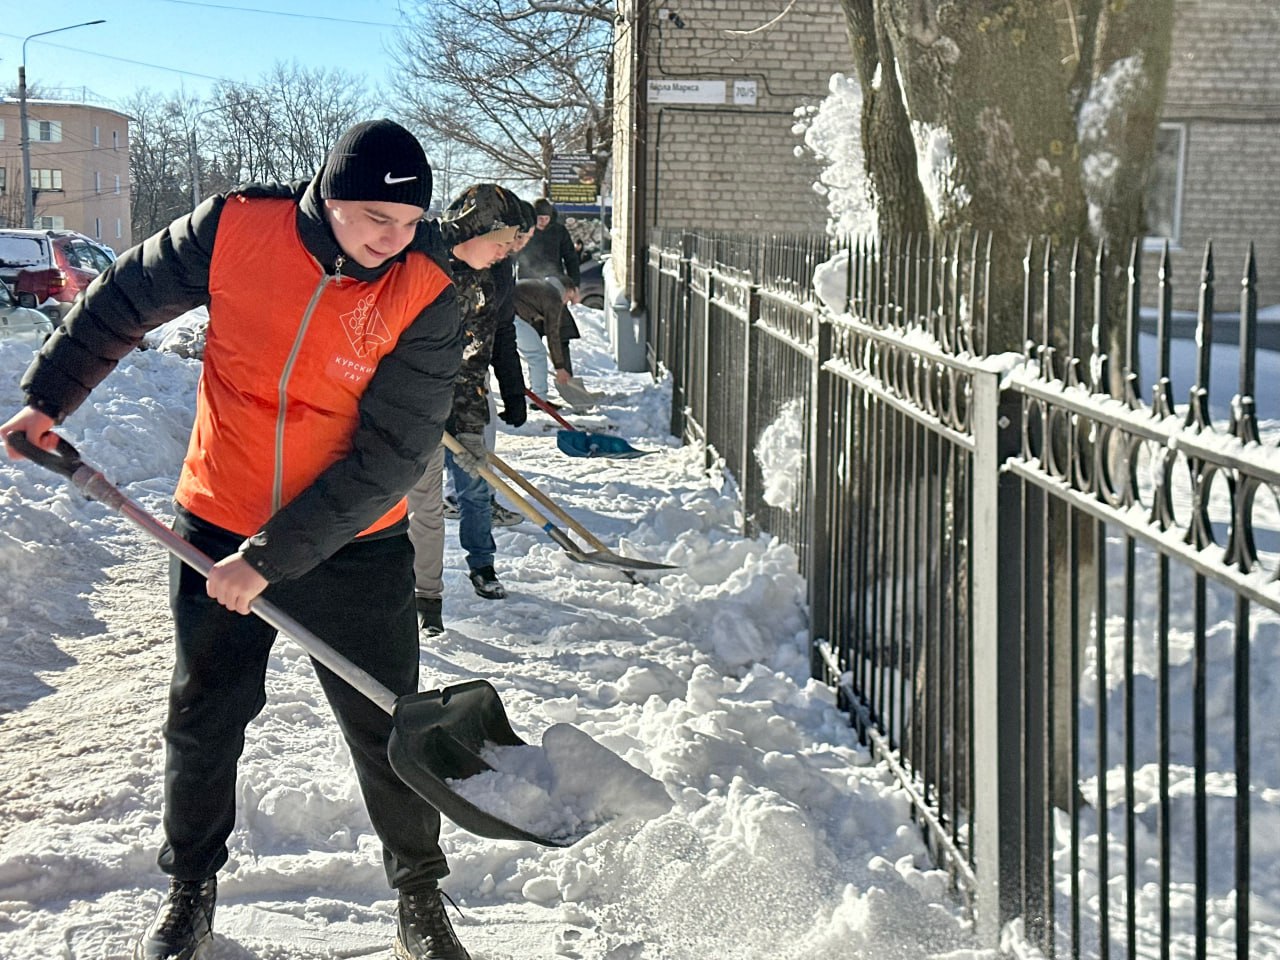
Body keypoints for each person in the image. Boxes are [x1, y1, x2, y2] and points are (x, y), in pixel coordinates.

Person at [1, 119, 474, 960]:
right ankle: (191, 887)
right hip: (219, 514)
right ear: (327, 196)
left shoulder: (428, 288)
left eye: (407, 224)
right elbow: (121, 300)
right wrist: (49, 397)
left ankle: (420, 895)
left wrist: (267, 561)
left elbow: (392, 456)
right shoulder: (236, 228)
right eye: (373, 217)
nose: (390, 239)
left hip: (353, 542)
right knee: (204, 716)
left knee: (386, 724)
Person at [406, 184, 526, 633]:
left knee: (460, 492)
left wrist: (472, 427)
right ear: (473, 229)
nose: (505, 252)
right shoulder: (418, 263)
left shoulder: (487, 278)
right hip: (405, 410)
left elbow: (475, 358)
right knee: (416, 506)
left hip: (452, 406)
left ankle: (431, 599)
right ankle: (414, 595)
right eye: (500, 241)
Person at [512, 274, 579, 399]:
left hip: (504, 313)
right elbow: (553, 334)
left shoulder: (543, 287)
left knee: (534, 352)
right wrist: (560, 368)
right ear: (567, 289)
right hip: (510, 317)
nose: (566, 303)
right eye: (569, 298)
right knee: (537, 354)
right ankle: (539, 399)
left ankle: (537, 396)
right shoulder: (554, 297)